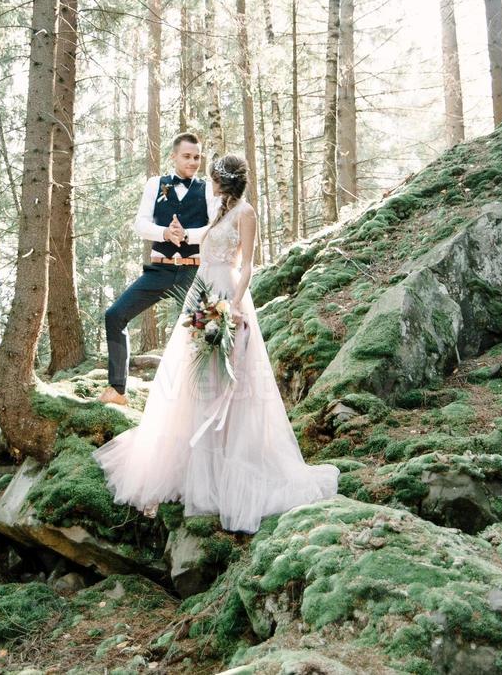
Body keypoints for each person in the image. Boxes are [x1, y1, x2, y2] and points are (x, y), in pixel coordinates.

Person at [93, 154, 340, 533]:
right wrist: (169, 234)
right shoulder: (220, 211)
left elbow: (248, 265)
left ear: (224, 182)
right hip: (201, 294)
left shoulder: (246, 213)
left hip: (226, 298)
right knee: (191, 379)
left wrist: (235, 306)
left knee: (226, 381)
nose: (207, 184)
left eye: (212, 179)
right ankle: (191, 463)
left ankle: (225, 464)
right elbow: (198, 243)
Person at [98, 132, 218, 407]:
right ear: (173, 156)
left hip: (192, 273)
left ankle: (205, 398)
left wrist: (186, 235)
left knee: (202, 331)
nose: (192, 162)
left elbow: (213, 228)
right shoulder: (156, 184)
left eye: (197, 157)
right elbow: (140, 224)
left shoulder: (208, 188)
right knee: (115, 315)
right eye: (187, 156)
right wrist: (165, 233)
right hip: (159, 271)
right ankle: (118, 390)